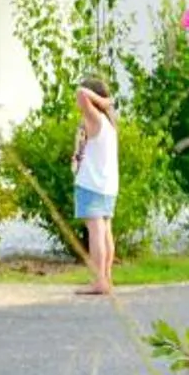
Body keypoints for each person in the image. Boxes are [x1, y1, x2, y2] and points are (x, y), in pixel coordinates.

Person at [71, 75, 120, 296]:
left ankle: (99, 281)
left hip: (92, 183)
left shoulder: (96, 118)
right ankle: (106, 277)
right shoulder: (109, 124)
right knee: (105, 230)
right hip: (108, 184)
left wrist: (101, 101)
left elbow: (81, 94)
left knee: (96, 231)